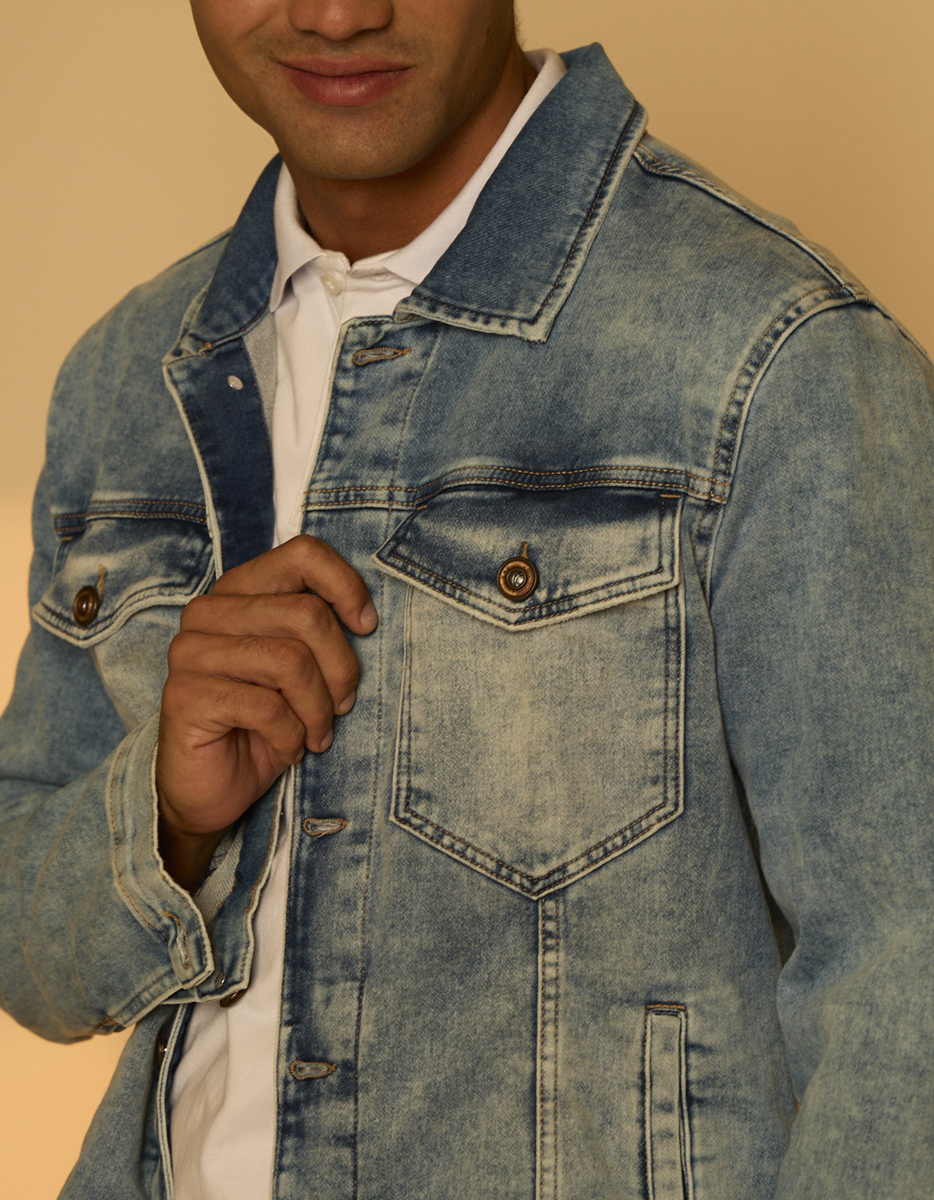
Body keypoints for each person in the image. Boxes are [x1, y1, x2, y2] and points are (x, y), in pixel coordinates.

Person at [1, 1, 932, 1197]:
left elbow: (904, 979)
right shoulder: (128, 373)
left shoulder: (774, 356)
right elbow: (29, 952)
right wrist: (165, 820)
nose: (338, 15)